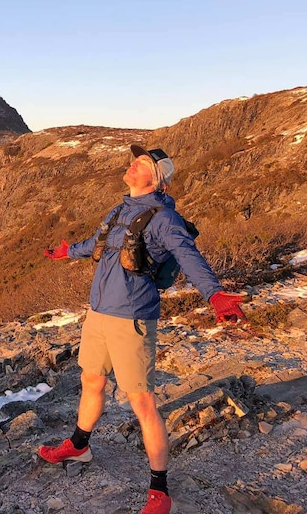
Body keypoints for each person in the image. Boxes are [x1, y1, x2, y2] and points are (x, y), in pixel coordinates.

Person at [40, 145, 246, 514]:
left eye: (141, 163)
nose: (132, 165)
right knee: (92, 380)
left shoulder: (166, 219)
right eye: (134, 161)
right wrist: (68, 251)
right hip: (99, 312)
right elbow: (99, 244)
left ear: (156, 178)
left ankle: (159, 489)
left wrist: (214, 295)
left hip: (132, 318)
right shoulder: (119, 209)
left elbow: (188, 256)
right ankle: (80, 445)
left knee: (141, 401)